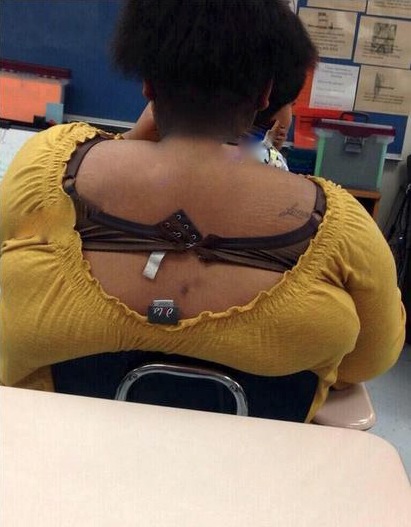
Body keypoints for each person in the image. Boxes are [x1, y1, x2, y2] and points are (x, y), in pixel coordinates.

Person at [0, 0, 405, 422]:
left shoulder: (48, 169)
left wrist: (134, 140)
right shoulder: (337, 222)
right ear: (265, 94)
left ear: (148, 86)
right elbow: (371, 359)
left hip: (59, 452)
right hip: (257, 460)